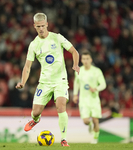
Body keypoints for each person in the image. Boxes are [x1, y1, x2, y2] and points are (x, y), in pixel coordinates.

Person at [15, 13, 80, 147]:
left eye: (43, 26)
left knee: (61, 106)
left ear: (47, 24)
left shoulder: (57, 38)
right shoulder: (34, 45)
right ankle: (35, 119)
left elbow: (74, 51)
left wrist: (75, 64)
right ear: (34, 26)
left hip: (60, 81)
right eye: (38, 26)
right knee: (36, 112)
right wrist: (23, 82)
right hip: (44, 82)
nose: (41, 29)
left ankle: (63, 139)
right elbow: (27, 66)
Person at [73, 51, 106, 144]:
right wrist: (75, 95)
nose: (85, 60)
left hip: (94, 100)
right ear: (81, 60)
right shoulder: (79, 71)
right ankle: (90, 124)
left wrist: (96, 88)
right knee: (85, 121)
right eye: (84, 59)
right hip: (83, 100)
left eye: (87, 59)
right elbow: (76, 83)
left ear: (91, 60)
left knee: (96, 120)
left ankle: (95, 139)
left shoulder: (96, 71)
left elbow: (103, 84)